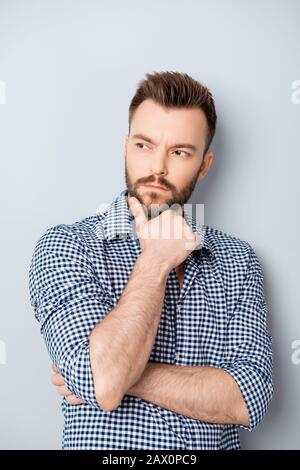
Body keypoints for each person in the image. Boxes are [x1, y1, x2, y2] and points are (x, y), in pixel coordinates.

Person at [28, 71, 273, 450]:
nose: (158, 167)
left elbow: (249, 397)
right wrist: (156, 260)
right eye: (144, 145)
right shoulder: (67, 246)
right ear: (125, 147)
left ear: (204, 165)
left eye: (179, 152)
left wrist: (114, 374)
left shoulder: (238, 261)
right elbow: (105, 386)